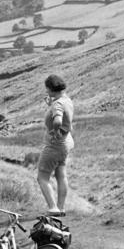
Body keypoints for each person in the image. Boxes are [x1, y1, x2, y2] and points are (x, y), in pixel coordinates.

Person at [37, 74, 74, 216]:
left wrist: (55, 132)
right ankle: (61, 207)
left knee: (42, 177)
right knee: (61, 175)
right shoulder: (66, 100)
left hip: (55, 145)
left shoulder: (57, 104)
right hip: (65, 144)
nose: (46, 91)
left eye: (47, 89)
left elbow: (58, 120)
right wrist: (51, 105)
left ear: (52, 89)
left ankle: (52, 208)